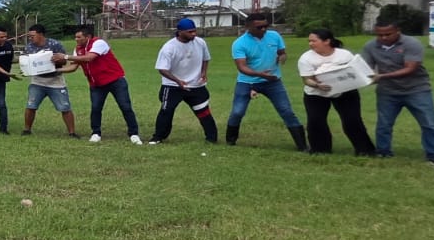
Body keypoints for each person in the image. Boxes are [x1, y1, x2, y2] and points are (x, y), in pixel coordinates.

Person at [360, 18, 434, 169]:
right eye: (380, 35)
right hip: (387, 92)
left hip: (417, 89)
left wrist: (381, 77)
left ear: (398, 32)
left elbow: (410, 68)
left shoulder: (411, 44)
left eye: (388, 34)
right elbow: (365, 67)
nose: (384, 38)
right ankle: (383, 152)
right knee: (384, 124)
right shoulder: (370, 46)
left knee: (429, 123)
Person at [226, 14, 306, 151]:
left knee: (286, 111)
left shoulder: (274, 36)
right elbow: (242, 67)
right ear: (248, 27)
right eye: (259, 27)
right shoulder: (239, 43)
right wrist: (260, 74)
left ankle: (303, 146)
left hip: (273, 82)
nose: (263, 29)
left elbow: (282, 52)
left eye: (266, 26)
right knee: (237, 112)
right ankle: (230, 141)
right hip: (247, 82)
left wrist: (282, 57)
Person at [295, 28, 376, 157]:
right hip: (316, 93)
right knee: (316, 121)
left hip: (345, 91)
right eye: (309, 41)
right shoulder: (306, 58)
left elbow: (355, 71)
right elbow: (306, 79)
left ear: (327, 41)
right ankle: (320, 150)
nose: (310, 44)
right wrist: (317, 85)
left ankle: (365, 150)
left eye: (314, 41)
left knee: (352, 120)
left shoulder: (344, 55)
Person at [67, 24, 143, 144]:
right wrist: (55, 71)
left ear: (88, 37)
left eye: (79, 37)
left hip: (115, 80)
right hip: (96, 84)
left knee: (125, 106)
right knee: (96, 108)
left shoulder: (99, 43)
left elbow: (89, 58)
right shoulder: (78, 49)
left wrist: (65, 56)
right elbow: (73, 66)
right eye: (75, 37)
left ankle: (134, 133)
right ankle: (96, 133)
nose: (76, 40)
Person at [148, 18, 217, 145]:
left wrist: (203, 73)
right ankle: (158, 137)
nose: (194, 34)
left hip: (196, 85)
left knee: (203, 111)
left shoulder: (200, 43)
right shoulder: (169, 47)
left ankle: (211, 138)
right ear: (180, 32)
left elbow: (206, 58)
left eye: (195, 31)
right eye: (190, 32)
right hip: (173, 86)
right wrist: (178, 81)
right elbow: (162, 69)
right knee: (166, 111)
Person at [20, 24, 78, 138]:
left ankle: (72, 132)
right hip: (37, 81)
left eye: (33, 36)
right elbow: (26, 61)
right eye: (29, 36)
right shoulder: (29, 47)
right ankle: (27, 129)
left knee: (65, 107)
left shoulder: (54, 45)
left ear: (41, 34)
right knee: (31, 106)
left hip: (55, 80)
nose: (30, 38)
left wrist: (55, 60)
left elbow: (63, 62)